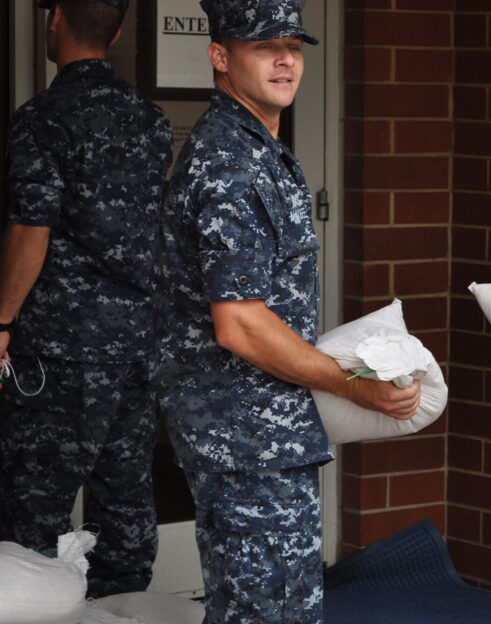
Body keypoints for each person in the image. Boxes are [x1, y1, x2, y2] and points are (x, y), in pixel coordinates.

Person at [153, 1, 420, 621]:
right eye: (263, 46)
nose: (284, 59)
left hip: (263, 434)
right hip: (244, 438)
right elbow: (240, 322)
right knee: (267, 611)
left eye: (294, 47)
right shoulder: (230, 163)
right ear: (220, 57)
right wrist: (355, 385)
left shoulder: (260, 149)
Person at [0, 0, 172, 598]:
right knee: (124, 502)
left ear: (55, 21)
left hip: (59, 350)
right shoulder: (150, 121)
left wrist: (0, 319)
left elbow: (31, 229)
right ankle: (123, 611)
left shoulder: (43, 118)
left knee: (33, 514)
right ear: (119, 31)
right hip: (135, 346)